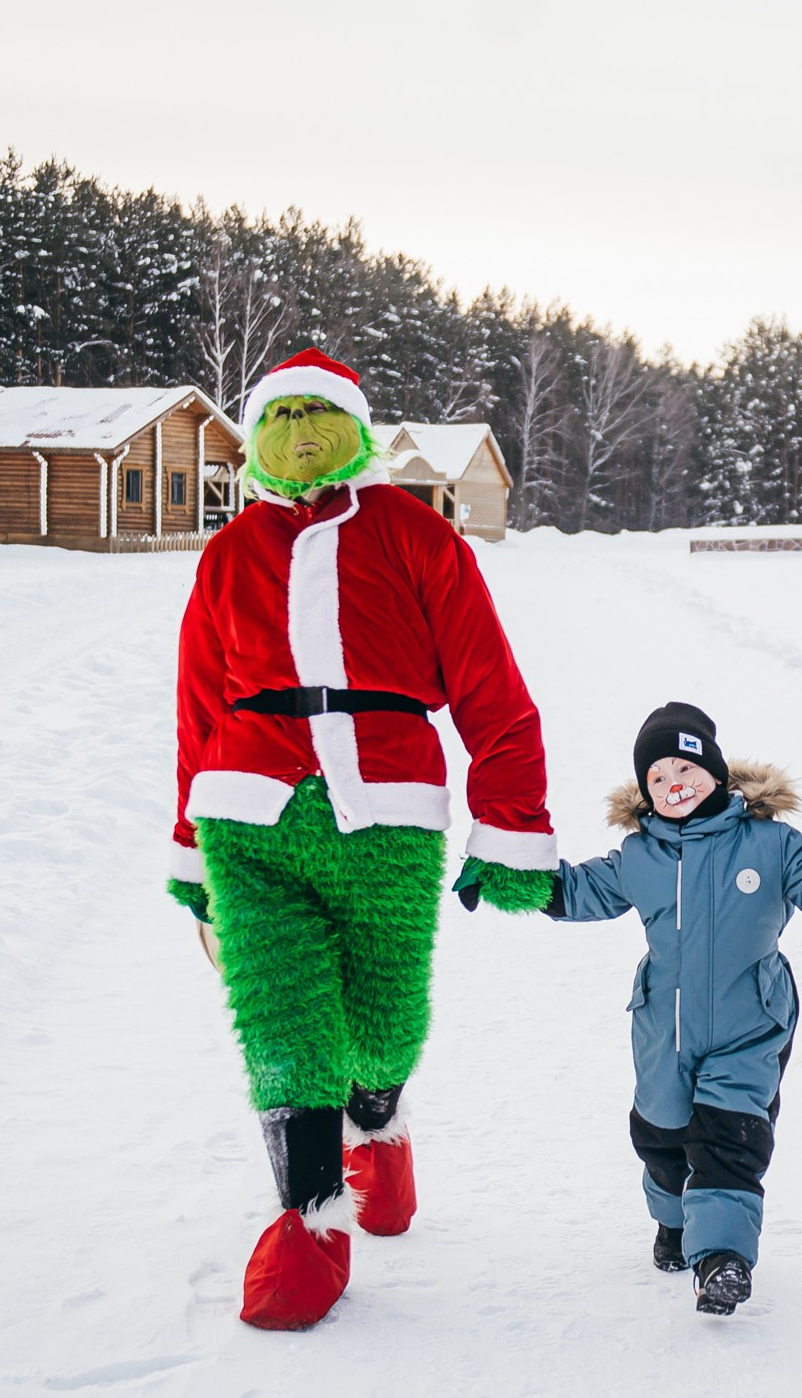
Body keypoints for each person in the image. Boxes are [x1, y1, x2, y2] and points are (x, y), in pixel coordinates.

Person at [166, 347, 559, 1331]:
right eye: (280, 416)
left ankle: (377, 1120)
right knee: (282, 1021)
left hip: (388, 811)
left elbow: (491, 690)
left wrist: (510, 824)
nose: (300, 435)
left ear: (354, 427)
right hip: (248, 813)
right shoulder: (229, 554)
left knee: (384, 1024)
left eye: (318, 414)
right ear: (255, 438)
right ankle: (310, 1223)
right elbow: (196, 706)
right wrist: (189, 852)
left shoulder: (418, 536)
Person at [516, 703, 802, 1314]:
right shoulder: (640, 856)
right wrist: (515, 876)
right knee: (662, 1136)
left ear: (715, 772)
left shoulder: (769, 842)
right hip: (664, 1029)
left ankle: (721, 1259)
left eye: (685, 768)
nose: (674, 785)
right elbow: (578, 891)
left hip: (750, 1023)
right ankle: (673, 1218)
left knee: (729, 1137)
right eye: (657, 777)